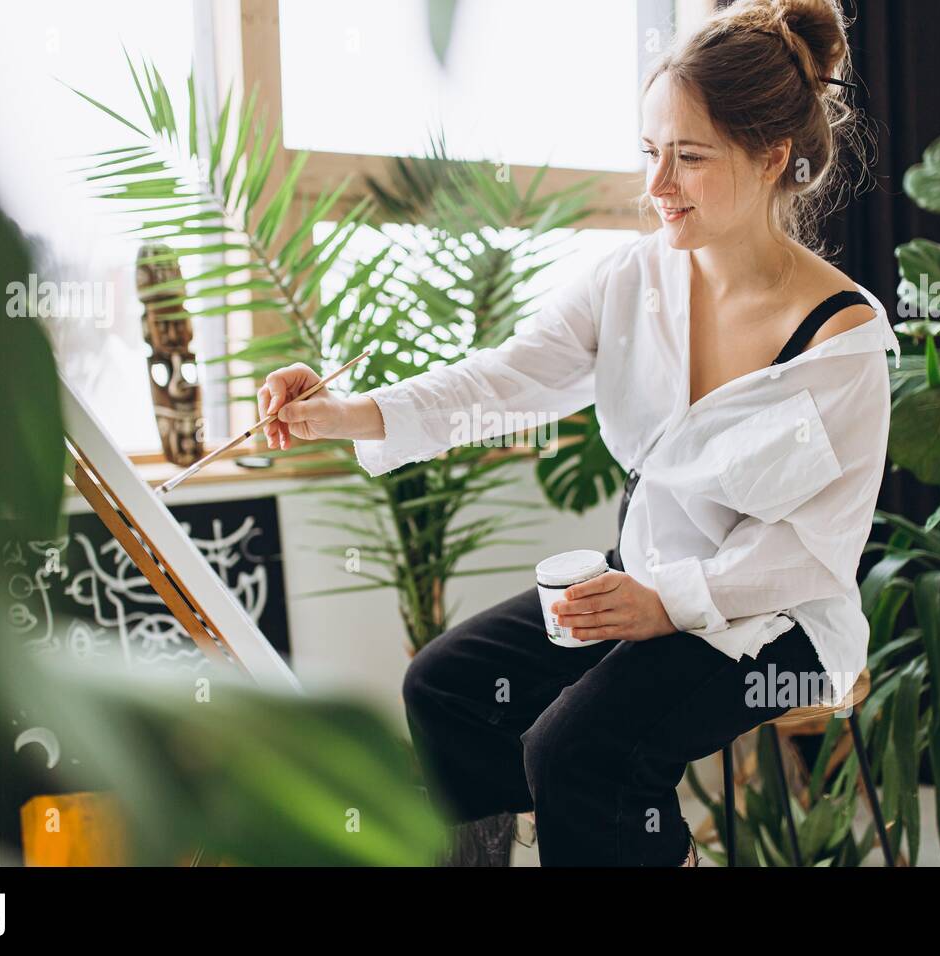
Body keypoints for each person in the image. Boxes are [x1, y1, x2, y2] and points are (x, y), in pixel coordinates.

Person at [258, 0, 899, 867]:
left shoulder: (840, 340)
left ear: (773, 156)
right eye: (650, 154)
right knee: (445, 686)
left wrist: (664, 605)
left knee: (577, 752)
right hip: (643, 582)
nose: (657, 187)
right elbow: (505, 377)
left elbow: (814, 552)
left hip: (773, 621)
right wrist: (347, 413)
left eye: (690, 158)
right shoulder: (634, 279)